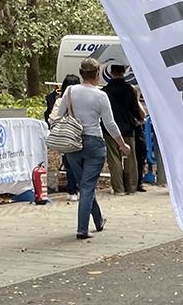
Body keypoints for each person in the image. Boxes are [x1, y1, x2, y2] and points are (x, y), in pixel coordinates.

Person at [54, 58, 127, 238]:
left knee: (85, 185)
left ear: (81, 73)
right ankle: (82, 229)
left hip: (73, 143)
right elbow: (110, 124)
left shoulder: (70, 91)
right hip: (94, 143)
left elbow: (59, 114)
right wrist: (122, 144)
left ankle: (99, 220)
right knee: (87, 187)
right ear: (96, 74)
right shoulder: (101, 95)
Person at [103, 64, 146, 194]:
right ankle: (132, 187)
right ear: (123, 72)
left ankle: (118, 188)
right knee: (130, 159)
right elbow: (135, 110)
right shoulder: (129, 90)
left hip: (110, 129)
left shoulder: (105, 91)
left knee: (114, 158)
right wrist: (139, 119)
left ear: (110, 73)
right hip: (128, 128)